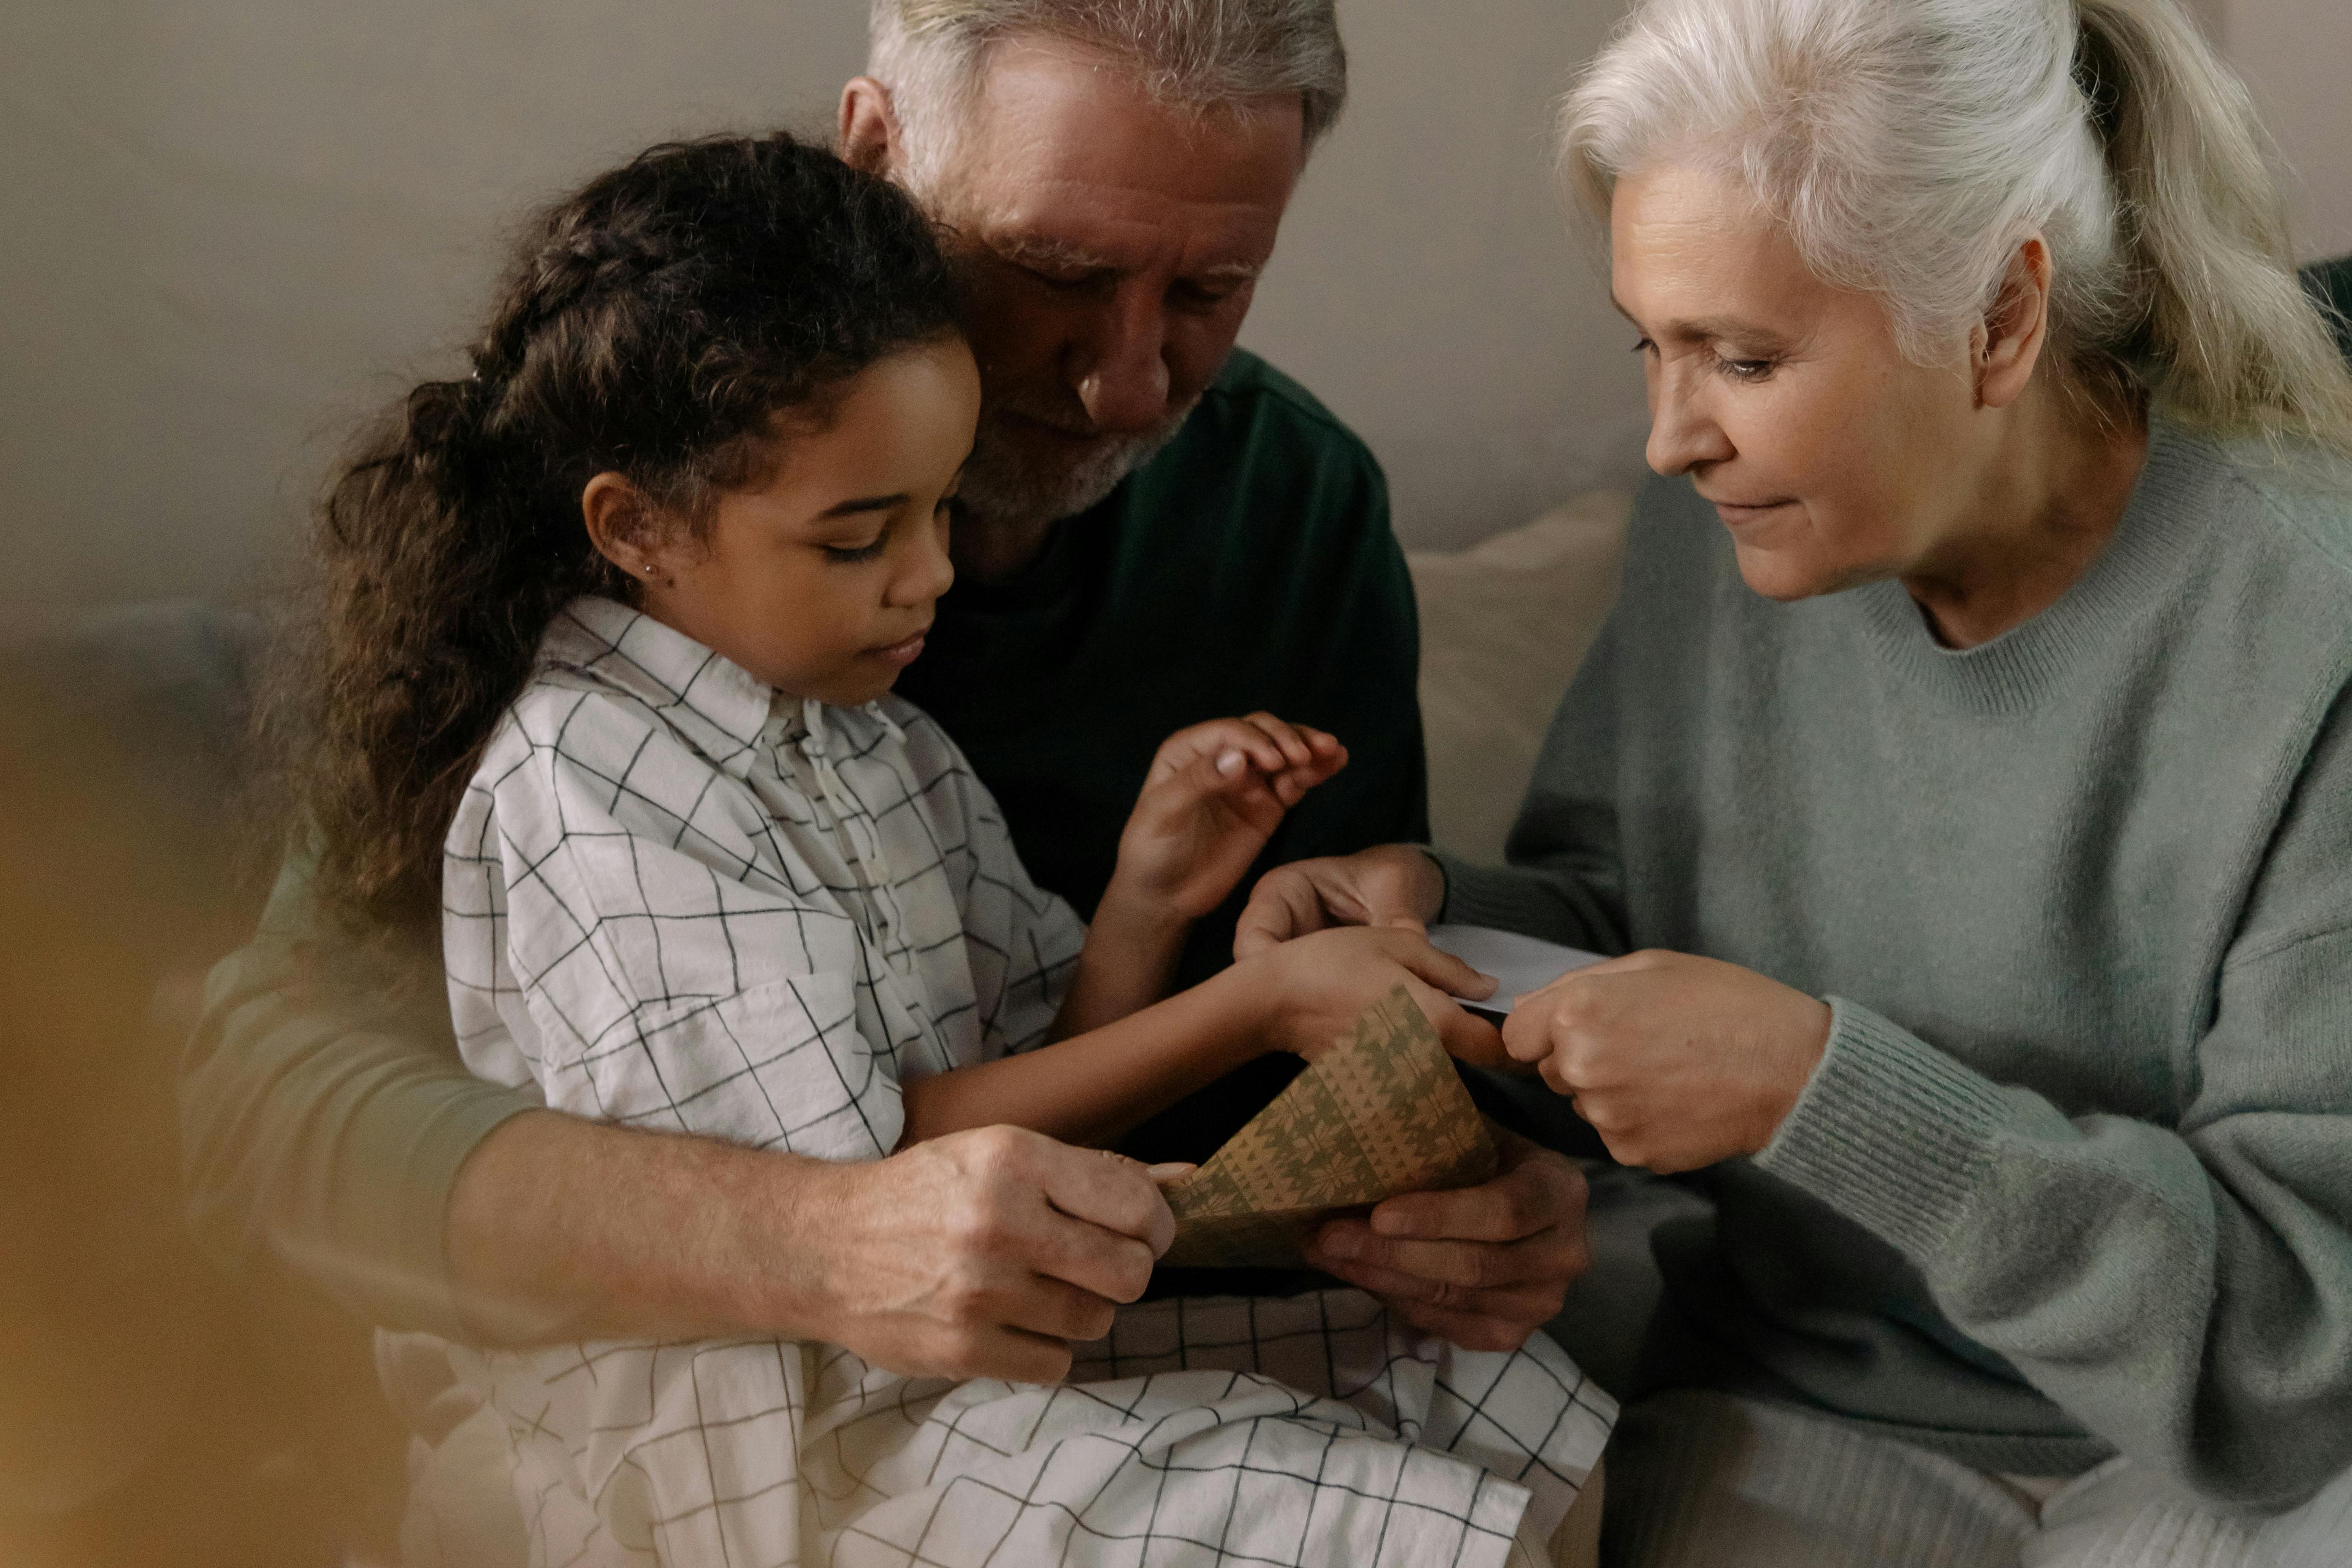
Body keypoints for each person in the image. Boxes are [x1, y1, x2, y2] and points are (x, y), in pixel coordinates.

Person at [182, 0, 1591, 1436]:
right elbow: (271, 1114)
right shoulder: (608, 534)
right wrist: (813, 1242)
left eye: (1207, 292)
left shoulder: (1289, 514)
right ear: (878, 150)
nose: (1126, 379)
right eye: (1054, 267)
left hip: (1148, 1337)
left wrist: (1481, 1186)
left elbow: (1364, 1023)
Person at [1236, 0, 2352, 1563]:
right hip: (1809, 1402)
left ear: (1998, 318)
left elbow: (2297, 1344)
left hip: (2229, 1460)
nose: (1666, 442)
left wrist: (1819, 1090)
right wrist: (1444, 924)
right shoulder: (1729, 540)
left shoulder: (2313, 631)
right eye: (1653, 344)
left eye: (1741, 358)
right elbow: (1646, 918)